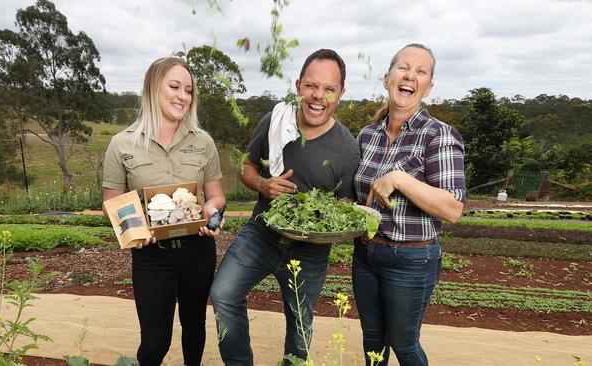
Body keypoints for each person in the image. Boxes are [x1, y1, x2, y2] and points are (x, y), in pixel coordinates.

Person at [210, 49, 360, 365]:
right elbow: (247, 167)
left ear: (341, 93)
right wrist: (264, 185)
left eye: (329, 89)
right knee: (223, 293)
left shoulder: (347, 147)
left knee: (299, 325)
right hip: (262, 232)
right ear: (298, 86)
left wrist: (324, 218)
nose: (318, 96)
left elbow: (346, 205)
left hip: (310, 250)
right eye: (311, 85)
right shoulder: (274, 121)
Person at [101, 57, 226, 366]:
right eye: (174, 86)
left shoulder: (203, 142)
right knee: (155, 342)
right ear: (152, 88)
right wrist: (135, 228)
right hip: (151, 255)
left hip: (198, 250)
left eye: (188, 90)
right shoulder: (122, 144)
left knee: (194, 327)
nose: (182, 96)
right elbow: (111, 205)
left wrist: (212, 212)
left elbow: (217, 197)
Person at [352, 43, 466, 366]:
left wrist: (400, 179)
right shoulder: (367, 135)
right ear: (388, 77)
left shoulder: (438, 135)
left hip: (411, 259)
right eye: (403, 68)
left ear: (428, 87)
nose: (410, 76)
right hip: (365, 253)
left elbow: (453, 208)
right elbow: (359, 194)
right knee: (373, 344)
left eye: (421, 72)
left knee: (404, 344)